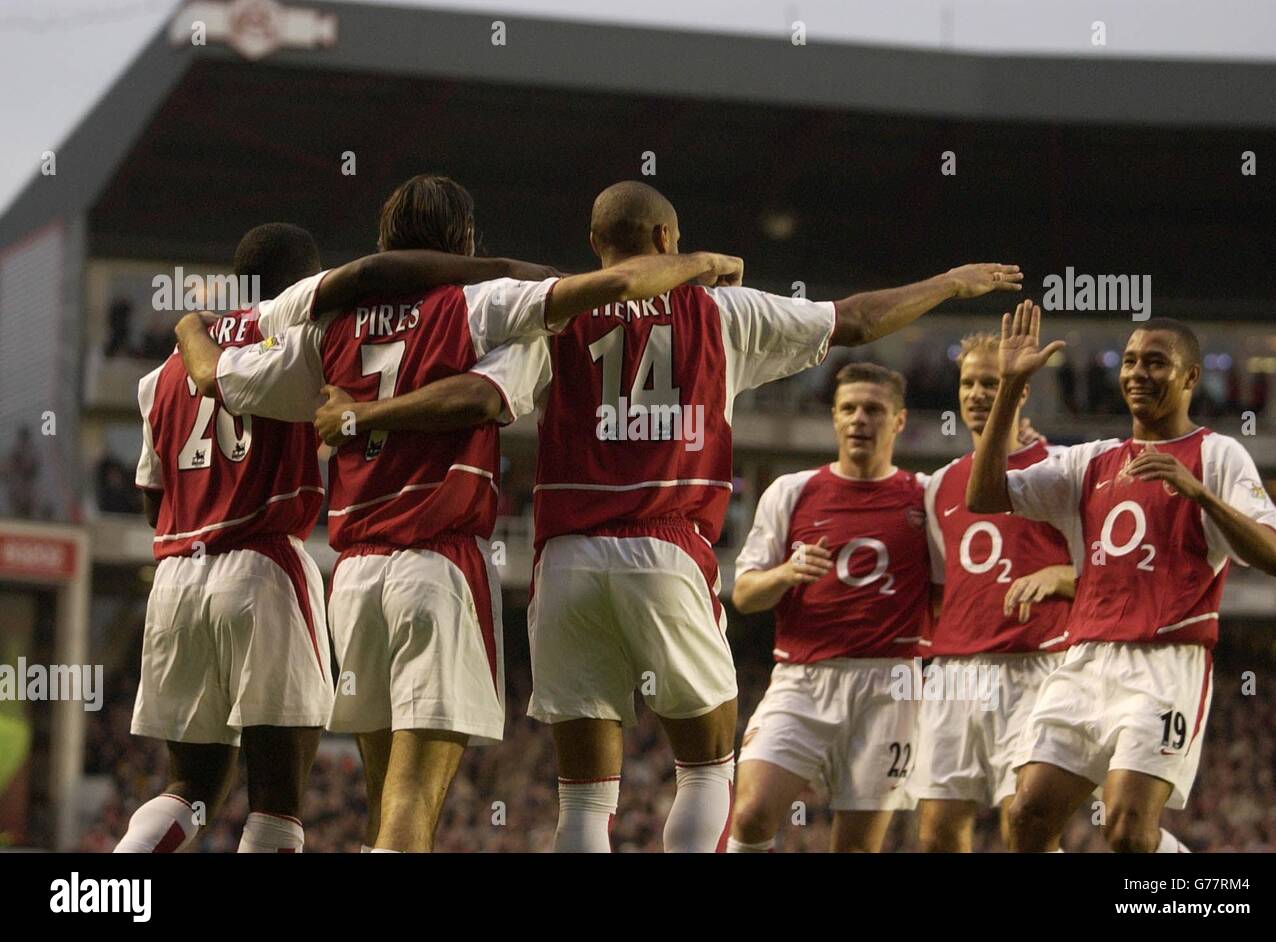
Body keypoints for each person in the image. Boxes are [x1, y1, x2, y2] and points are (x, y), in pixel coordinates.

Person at [314, 179, 1024, 851]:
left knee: (585, 798)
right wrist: (949, 284)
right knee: (707, 767)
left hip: (564, 562)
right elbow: (858, 320)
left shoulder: (554, 316)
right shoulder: (719, 310)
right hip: (666, 549)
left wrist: (362, 415)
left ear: (597, 243)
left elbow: (475, 396)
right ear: (667, 237)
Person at [181, 174, 742, 852]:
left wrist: (189, 325)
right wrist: (700, 265)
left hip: (353, 578)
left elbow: (215, 378)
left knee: (384, 796)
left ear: (385, 240)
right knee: (414, 800)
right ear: (467, 242)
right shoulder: (477, 305)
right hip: (436, 566)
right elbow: (612, 292)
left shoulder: (322, 324)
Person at [967, 301, 1276, 853]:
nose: (1138, 373)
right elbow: (985, 494)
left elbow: (1275, 556)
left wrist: (1200, 494)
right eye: (1130, 361)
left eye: (1156, 363)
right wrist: (1009, 387)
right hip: (1085, 659)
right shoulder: (1091, 461)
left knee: (1126, 832)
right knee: (1025, 818)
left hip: (1164, 664)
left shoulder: (1217, 454)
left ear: (1191, 377)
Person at [117, 223, 333, 854]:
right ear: (303, 284)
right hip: (263, 566)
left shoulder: (162, 373)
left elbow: (150, 492)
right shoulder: (301, 343)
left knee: (188, 787)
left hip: (178, 574)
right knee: (277, 806)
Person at [729, 363, 929, 852]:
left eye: (874, 410)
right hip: (803, 679)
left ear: (899, 420)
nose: (860, 419)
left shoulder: (925, 495)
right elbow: (744, 593)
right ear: (835, 418)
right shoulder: (792, 491)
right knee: (752, 814)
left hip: (891, 686)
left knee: (855, 848)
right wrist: (786, 573)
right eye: (849, 409)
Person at [910, 331, 1074, 851]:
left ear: (1020, 390)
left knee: (1024, 827)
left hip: (1035, 669)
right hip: (955, 675)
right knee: (937, 834)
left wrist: (1061, 578)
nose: (978, 393)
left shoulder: (1064, 470)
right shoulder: (940, 484)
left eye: (993, 382)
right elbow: (942, 589)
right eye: (969, 382)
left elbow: (1110, 573)